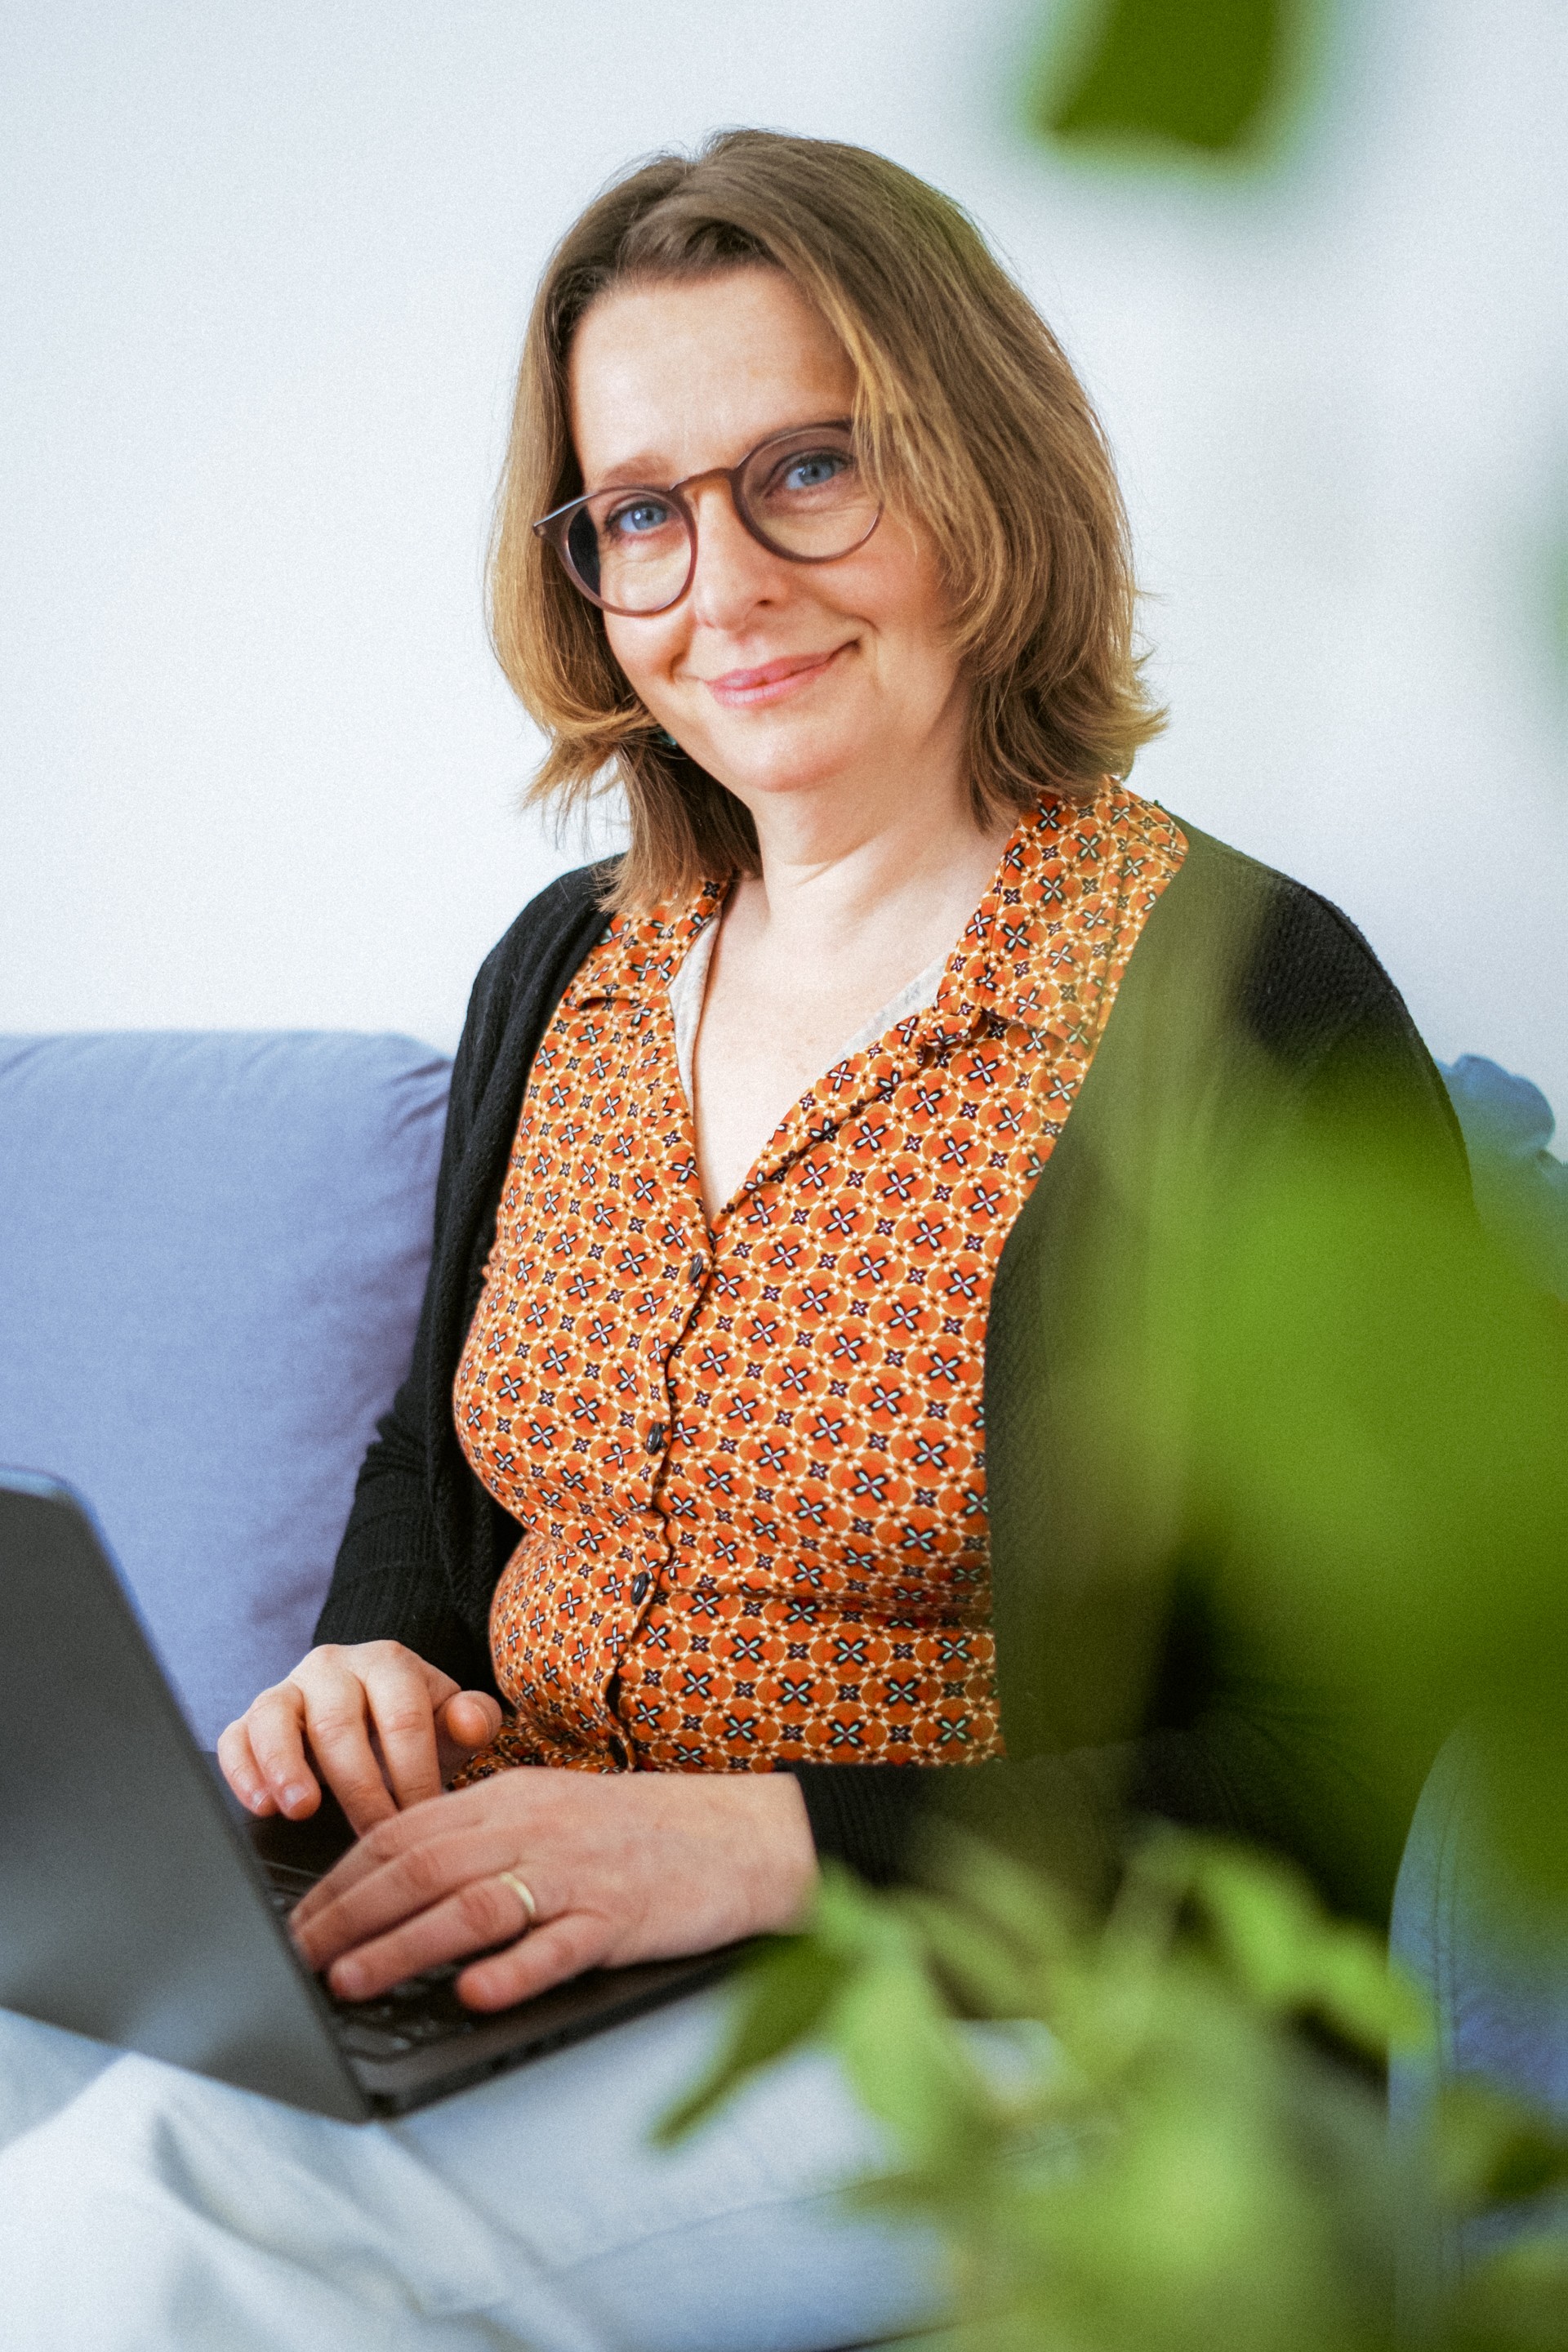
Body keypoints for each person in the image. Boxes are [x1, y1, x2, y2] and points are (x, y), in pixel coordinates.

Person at [1, 131, 1473, 2352]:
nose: (725, 583)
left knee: (171, 2200)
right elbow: (439, 1464)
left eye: (810, 469)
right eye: (643, 512)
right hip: (562, 1938)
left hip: (1046, 2030)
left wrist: (767, 1841)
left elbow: (1349, 1762)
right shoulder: (566, 969)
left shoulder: (1246, 1000)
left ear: (978, 471)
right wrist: (371, 1665)